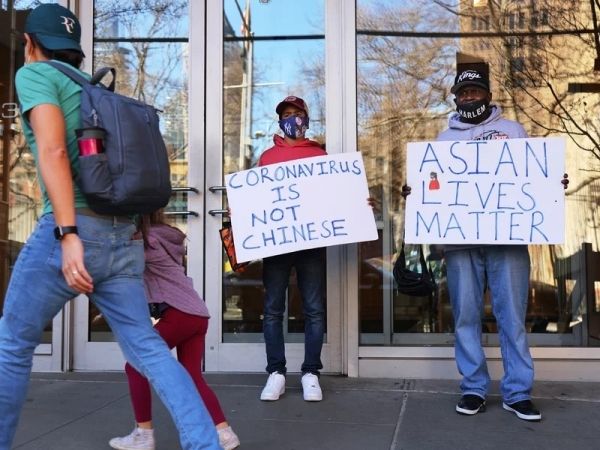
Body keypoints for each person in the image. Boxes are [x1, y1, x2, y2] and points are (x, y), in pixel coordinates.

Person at [0, 5, 219, 449]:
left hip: (73, 230)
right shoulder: (93, 90)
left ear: (30, 43)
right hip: (123, 238)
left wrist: (68, 235)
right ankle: (205, 444)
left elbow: (54, 153)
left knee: (13, 345)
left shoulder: (36, 75)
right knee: (150, 349)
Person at [432, 62, 568, 422]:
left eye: (475, 91)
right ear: (457, 98)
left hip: (507, 239)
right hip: (461, 243)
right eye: (463, 93)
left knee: (512, 316)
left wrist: (552, 182)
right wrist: (417, 193)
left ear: (488, 95)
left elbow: (532, 176)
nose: (469, 97)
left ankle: (518, 392)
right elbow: (435, 184)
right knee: (465, 315)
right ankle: (474, 388)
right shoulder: (444, 140)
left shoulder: (512, 130)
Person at [109, 211, 240, 450]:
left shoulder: (145, 241)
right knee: (192, 376)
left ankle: (143, 434)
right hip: (197, 314)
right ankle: (224, 432)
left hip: (178, 313)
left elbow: (115, 264)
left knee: (136, 365)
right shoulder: (167, 237)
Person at [257, 96, 327, 402]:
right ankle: (276, 373)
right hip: (276, 244)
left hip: (311, 243)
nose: (293, 119)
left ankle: (311, 372)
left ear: (307, 119)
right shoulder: (267, 157)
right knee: (273, 309)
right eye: (287, 115)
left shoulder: (321, 154)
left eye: (297, 114)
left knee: (313, 308)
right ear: (280, 121)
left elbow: (335, 196)